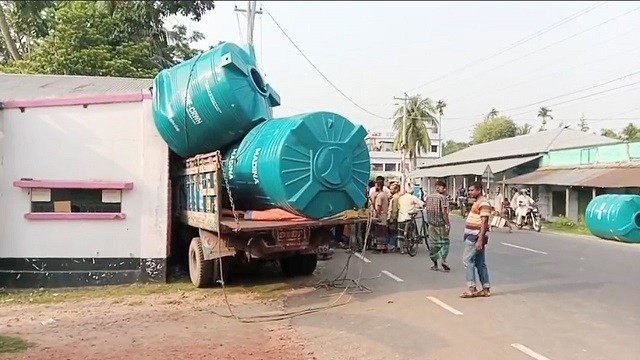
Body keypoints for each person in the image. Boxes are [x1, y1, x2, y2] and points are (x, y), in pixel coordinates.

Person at [460, 181, 491, 298]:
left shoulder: (483, 203)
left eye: (472, 190)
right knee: (480, 263)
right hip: (473, 236)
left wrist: (480, 239)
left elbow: (484, 222)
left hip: (475, 237)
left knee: (467, 260)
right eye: (469, 190)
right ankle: (485, 288)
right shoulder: (477, 202)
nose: (470, 192)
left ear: (479, 190)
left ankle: (471, 288)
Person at [424, 180, 451, 272]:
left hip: (431, 223)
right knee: (444, 242)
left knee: (434, 243)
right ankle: (443, 260)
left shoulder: (428, 197)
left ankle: (435, 264)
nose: (444, 189)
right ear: (440, 187)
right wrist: (447, 223)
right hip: (440, 224)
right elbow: (444, 212)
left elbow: (426, 208)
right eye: (443, 188)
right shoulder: (442, 198)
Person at [397, 184, 424, 254]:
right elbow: (422, 204)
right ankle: (409, 245)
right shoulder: (413, 197)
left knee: (401, 234)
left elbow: (399, 206)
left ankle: (402, 249)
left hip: (401, 217)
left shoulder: (401, 198)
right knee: (410, 232)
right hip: (408, 217)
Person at [373, 180, 390, 252]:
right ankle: (384, 247)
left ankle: (379, 248)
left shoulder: (380, 196)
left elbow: (379, 206)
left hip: (380, 215)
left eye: (376, 185)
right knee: (384, 231)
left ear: (379, 186)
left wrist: (376, 215)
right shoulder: (385, 194)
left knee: (379, 232)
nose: (375, 187)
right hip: (384, 215)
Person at [387, 183, 401, 252]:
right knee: (394, 232)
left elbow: (394, 209)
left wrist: (391, 218)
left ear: (396, 189)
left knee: (393, 232)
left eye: (392, 189)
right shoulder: (396, 196)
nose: (390, 190)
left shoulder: (395, 198)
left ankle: (393, 246)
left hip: (393, 217)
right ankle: (395, 246)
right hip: (396, 216)